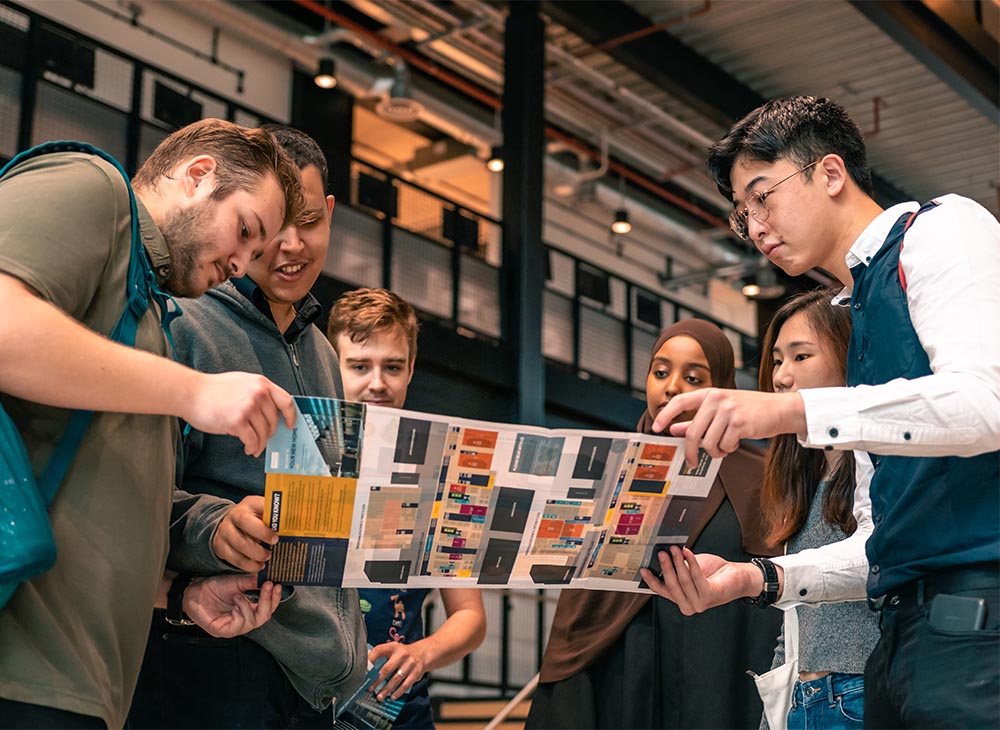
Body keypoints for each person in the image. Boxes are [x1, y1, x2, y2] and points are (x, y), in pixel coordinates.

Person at [645, 95, 1000, 728]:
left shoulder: (942, 229)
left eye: (764, 196)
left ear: (830, 174)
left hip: (978, 620)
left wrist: (790, 413)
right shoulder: (857, 319)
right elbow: (876, 547)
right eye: (741, 212)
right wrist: (754, 580)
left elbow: (986, 404)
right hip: (906, 635)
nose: (754, 226)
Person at [0, 119, 303, 729]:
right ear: (198, 175)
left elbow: (97, 509)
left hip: (83, 688)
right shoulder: (92, 186)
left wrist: (183, 595)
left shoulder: (150, 322)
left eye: (253, 253)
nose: (242, 266)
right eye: (245, 231)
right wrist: (194, 392)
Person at [128, 126, 366, 729]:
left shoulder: (324, 357)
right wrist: (215, 528)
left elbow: (325, 521)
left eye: (307, 222)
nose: (289, 246)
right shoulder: (179, 320)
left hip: (315, 680)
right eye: (264, 230)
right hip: (209, 652)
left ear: (330, 214)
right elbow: (129, 492)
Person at [526, 319, 782, 729]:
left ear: (722, 386)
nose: (671, 386)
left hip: (719, 676)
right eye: (660, 372)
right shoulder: (611, 469)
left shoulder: (763, 476)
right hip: (623, 672)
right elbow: (584, 606)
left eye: (693, 377)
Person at [328, 287, 487, 729]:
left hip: (396, 713)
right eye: (360, 366)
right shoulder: (300, 464)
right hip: (302, 708)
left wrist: (421, 654)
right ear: (332, 364)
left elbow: (470, 616)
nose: (377, 382)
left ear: (411, 369)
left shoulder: (441, 476)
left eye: (392, 366)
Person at [753, 289, 879, 729]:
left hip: (860, 693)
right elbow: (796, 619)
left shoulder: (881, 467)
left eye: (801, 356)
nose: (782, 376)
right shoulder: (801, 480)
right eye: (777, 360)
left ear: (848, 358)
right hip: (799, 699)